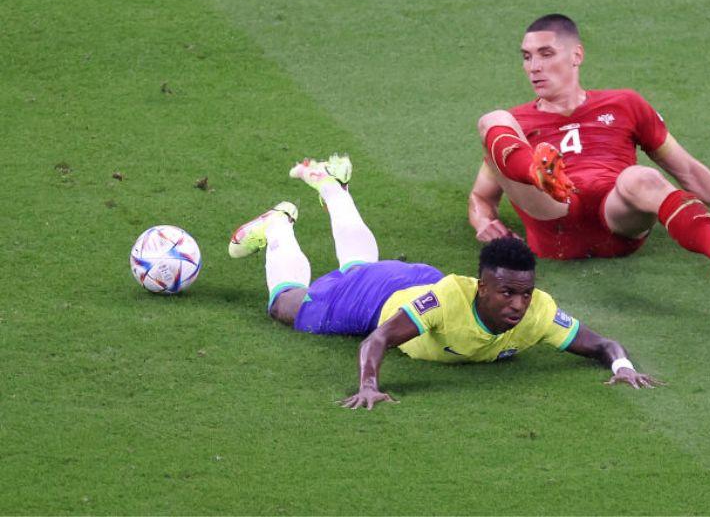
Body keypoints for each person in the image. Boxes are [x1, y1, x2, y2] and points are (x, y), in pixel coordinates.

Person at [228, 154, 661, 409]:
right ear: (482, 287)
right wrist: (369, 387)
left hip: (415, 280)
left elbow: (604, 344)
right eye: (508, 293)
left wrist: (623, 368)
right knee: (288, 306)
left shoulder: (539, 313)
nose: (518, 305)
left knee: (361, 264)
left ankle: (332, 187)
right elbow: (378, 339)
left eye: (524, 294)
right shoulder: (446, 302)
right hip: (381, 297)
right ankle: (278, 224)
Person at [469, 14, 710, 287]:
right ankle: (541, 173)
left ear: (577, 55)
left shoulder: (625, 103)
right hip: (554, 220)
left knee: (642, 176)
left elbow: (687, 170)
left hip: (617, 220)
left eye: (546, 54)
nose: (534, 67)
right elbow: (481, 198)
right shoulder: (513, 125)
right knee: (492, 119)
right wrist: (483, 220)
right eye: (527, 57)